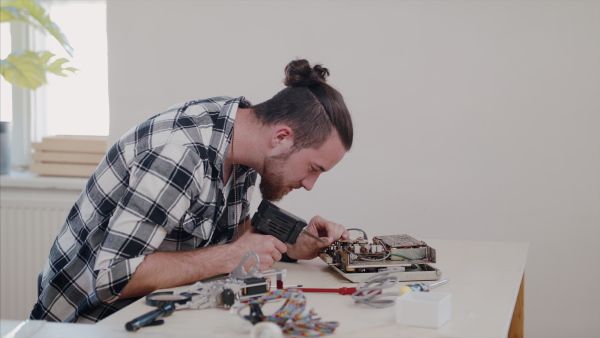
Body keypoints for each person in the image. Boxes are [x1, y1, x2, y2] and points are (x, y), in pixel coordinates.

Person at [31, 59, 354, 323]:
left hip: (161, 311)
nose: (310, 184)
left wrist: (290, 245)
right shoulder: (178, 155)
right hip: (90, 323)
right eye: (314, 168)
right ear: (282, 136)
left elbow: (225, 243)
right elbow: (110, 279)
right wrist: (230, 256)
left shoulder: (243, 139)